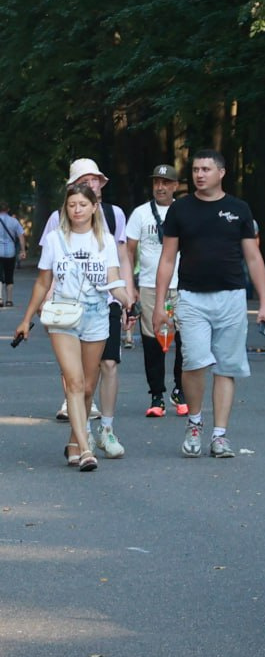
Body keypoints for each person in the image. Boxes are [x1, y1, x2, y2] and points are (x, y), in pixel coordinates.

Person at [152, 149, 265, 458]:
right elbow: (167, 259)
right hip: (191, 298)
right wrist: (159, 304)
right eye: (195, 169)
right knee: (193, 361)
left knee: (226, 367)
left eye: (206, 169)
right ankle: (194, 423)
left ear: (222, 172)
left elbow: (253, 257)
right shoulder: (180, 210)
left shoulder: (239, 209)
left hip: (232, 297)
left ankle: (220, 435)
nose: (199, 174)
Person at [13, 184, 133, 470]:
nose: (77, 209)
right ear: (65, 209)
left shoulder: (105, 240)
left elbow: (113, 279)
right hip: (63, 316)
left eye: (82, 204)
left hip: (96, 315)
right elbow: (44, 281)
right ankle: (86, 450)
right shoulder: (56, 239)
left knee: (89, 387)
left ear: (94, 207)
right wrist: (26, 318)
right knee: (75, 382)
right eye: (71, 205)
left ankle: (72, 443)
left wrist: (128, 300)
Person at [43, 159, 134, 451]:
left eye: (96, 179)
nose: (92, 183)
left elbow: (123, 258)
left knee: (109, 364)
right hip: (68, 306)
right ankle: (80, 438)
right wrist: (48, 302)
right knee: (76, 376)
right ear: (72, 187)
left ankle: (106, 428)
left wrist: (128, 296)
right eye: (86, 179)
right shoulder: (58, 218)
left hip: (106, 301)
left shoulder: (114, 213)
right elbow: (52, 268)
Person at [125, 165, 187, 417]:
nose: (160, 187)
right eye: (156, 182)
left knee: (185, 340)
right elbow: (128, 251)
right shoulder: (140, 214)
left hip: (183, 285)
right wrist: (131, 287)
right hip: (150, 286)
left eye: (166, 182)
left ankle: (180, 389)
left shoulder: (185, 210)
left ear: (175, 186)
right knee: (152, 341)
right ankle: (157, 395)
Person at [0, 201, 26, 307]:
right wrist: (23, 250)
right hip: (10, 252)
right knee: (9, 276)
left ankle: (0, 298)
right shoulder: (14, 221)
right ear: (8, 209)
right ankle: (9, 300)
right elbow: (21, 236)